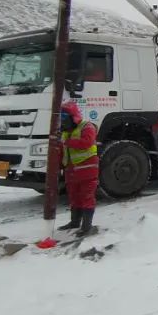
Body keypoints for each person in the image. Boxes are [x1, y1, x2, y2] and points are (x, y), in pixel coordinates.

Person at [57, 100, 99, 234]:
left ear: (72, 116)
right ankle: (75, 222)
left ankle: (86, 226)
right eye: (61, 117)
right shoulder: (65, 133)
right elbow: (62, 151)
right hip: (71, 172)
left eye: (64, 117)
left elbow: (86, 142)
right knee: (74, 197)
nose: (62, 121)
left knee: (87, 197)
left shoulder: (87, 127)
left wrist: (67, 142)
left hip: (87, 169)